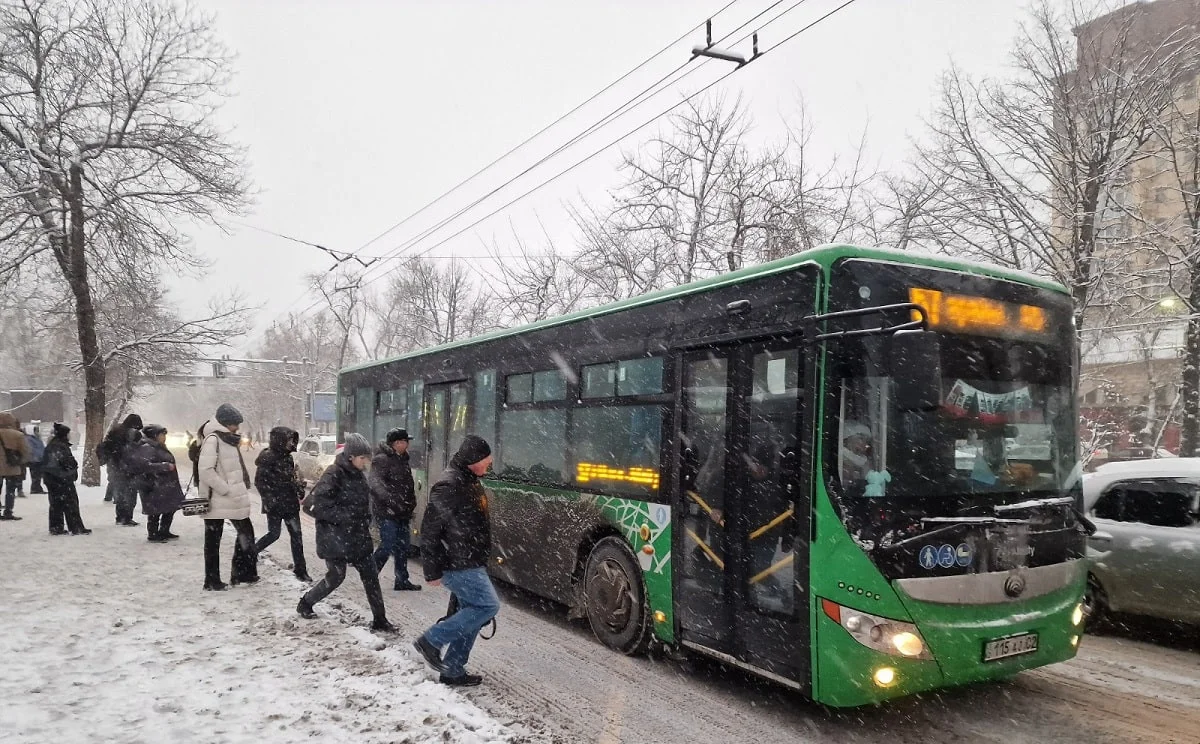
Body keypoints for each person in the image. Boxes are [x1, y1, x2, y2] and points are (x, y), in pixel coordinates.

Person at [412, 435, 499, 687]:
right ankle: (431, 640)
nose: (489, 463)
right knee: (487, 607)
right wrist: (432, 570)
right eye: (486, 459)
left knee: (470, 613)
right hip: (458, 561)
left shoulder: (467, 479)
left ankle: (452, 669)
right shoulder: (450, 484)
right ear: (473, 460)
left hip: (469, 559)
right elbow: (430, 529)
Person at [296, 433, 396, 632]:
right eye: (362, 458)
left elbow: (362, 503)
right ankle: (306, 602)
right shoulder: (333, 474)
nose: (366, 462)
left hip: (357, 537)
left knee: (370, 577)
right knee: (336, 577)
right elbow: (312, 506)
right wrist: (345, 516)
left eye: (367, 458)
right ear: (350, 456)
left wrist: (367, 517)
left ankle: (380, 620)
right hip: (335, 538)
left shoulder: (359, 475)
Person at [197, 404, 258, 591]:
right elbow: (205, 471)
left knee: (245, 533)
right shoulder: (213, 439)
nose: (237, 428)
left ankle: (240, 574)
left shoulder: (228, 440)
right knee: (214, 540)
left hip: (232, 498)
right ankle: (212, 580)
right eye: (234, 424)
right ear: (225, 424)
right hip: (218, 498)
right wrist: (226, 489)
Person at [253, 426, 311, 582]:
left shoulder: (288, 458)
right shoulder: (268, 458)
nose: (292, 443)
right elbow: (259, 482)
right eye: (289, 440)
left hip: (290, 503)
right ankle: (252, 552)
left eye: (293, 440)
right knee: (274, 534)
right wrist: (270, 499)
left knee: (297, 536)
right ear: (280, 440)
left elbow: (290, 479)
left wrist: (298, 488)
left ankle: (300, 569)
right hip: (275, 505)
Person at [369, 428, 420, 591]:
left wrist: (410, 504)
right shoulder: (382, 460)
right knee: (387, 545)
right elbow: (376, 484)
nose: (408, 444)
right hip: (388, 513)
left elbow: (406, 486)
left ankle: (401, 580)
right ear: (397, 443)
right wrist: (392, 503)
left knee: (403, 547)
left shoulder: (403, 459)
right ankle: (370, 576)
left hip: (402, 512)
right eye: (406, 441)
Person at [128, 425, 185, 542]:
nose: (164, 437)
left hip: (165, 484)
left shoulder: (158, 447)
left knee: (169, 508)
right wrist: (164, 466)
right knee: (156, 511)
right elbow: (143, 466)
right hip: (154, 485)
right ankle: (153, 534)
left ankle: (164, 531)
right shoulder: (147, 447)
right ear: (154, 435)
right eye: (162, 435)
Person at [42, 423, 90, 535]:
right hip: (62, 478)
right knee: (70, 503)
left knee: (56, 503)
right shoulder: (61, 446)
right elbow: (67, 462)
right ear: (64, 434)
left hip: (51, 478)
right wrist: (73, 466)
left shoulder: (51, 445)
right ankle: (76, 527)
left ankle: (56, 527)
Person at [100, 414, 144, 525]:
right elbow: (135, 450)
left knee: (120, 494)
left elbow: (111, 448)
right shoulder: (131, 434)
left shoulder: (116, 431)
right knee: (130, 494)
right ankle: (127, 518)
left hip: (115, 467)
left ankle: (120, 517)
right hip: (127, 468)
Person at [0, 412, 31, 520]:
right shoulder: (17, 435)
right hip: (12, 467)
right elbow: (25, 451)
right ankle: (8, 511)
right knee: (10, 491)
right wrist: (20, 461)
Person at [24, 424, 45, 495]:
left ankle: (37, 487)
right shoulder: (29, 439)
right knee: (35, 474)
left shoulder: (37, 438)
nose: (37, 432)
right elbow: (31, 449)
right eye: (36, 431)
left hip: (39, 459)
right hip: (34, 460)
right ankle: (35, 488)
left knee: (38, 474)